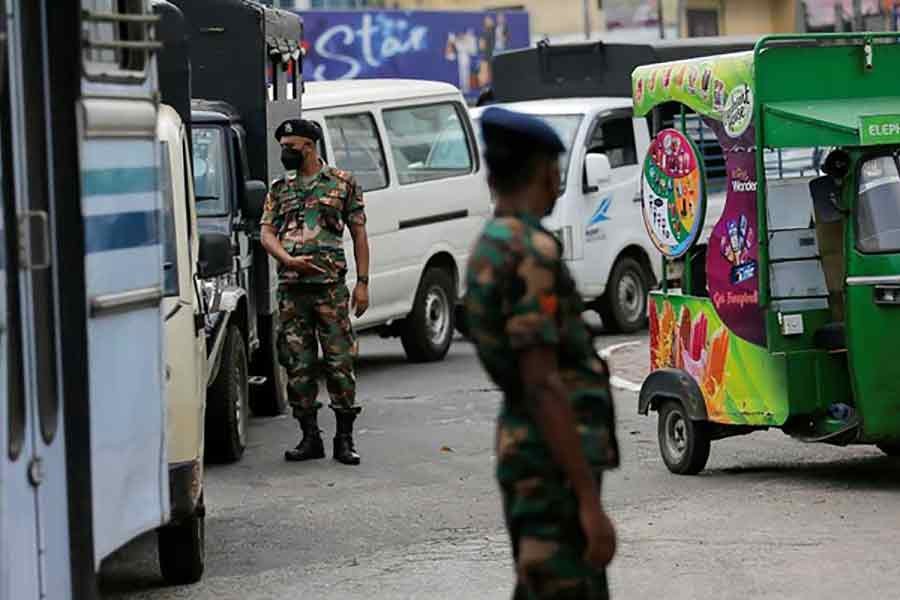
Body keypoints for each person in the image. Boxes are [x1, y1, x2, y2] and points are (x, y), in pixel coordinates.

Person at [464, 107, 619, 599]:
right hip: (550, 462)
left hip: (528, 451)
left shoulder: (491, 243)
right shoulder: (530, 250)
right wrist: (588, 501)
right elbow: (542, 381)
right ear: (545, 171)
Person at [260, 118, 370, 465]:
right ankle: (310, 437)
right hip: (292, 292)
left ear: (310, 146)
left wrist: (363, 283)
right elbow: (266, 234)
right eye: (282, 147)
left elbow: (359, 234)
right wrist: (288, 261)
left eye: (290, 147)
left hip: (330, 290)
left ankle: (344, 438)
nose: (284, 153)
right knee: (297, 364)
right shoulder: (279, 189)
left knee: (340, 361)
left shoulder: (342, 183)